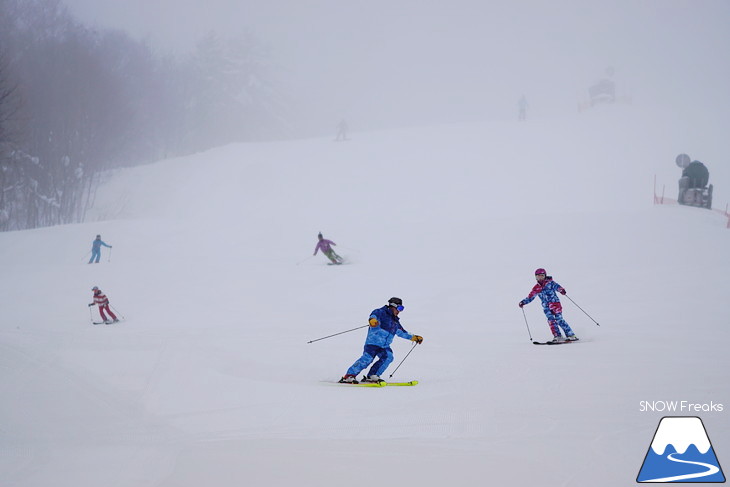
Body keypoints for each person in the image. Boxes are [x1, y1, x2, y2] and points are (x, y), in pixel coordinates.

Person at [339, 297, 423, 384]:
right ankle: (349, 376)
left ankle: (372, 375)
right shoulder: (381, 312)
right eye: (399, 308)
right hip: (373, 343)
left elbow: (402, 332)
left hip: (384, 346)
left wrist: (414, 337)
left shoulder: (395, 322)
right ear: (392, 306)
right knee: (367, 359)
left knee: (388, 357)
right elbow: (373, 315)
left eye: (402, 309)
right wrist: (372, 320)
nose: (399, 311)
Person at [518, 268, 578, 343]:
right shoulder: (536, 288)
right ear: (535, 277)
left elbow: (557, 287)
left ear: (545, 276)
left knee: (559, 319)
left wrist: (561, 290)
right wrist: (523, 302)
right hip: (546, 307)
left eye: (542, 276)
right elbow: (531, 297)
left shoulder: (550, 283)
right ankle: (557, 336)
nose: (540, 278)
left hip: (555, 304)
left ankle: (571, 335)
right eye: (538, 276)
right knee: (551, 321)